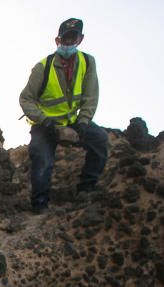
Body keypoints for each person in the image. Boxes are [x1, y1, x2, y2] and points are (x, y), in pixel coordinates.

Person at [19, 17, 109, 213]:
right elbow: (25, 99)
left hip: (73, 122)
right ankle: (39, 205)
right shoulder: (43, 67)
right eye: (65, 39)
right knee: (42, 160)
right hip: (45, 125)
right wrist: (46, 121)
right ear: (57, 40)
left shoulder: (87, 62)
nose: (68, 42)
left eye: (73, 38)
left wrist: (83, 122)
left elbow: (91, 95)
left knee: (100, 141)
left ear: (80, 39)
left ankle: (86, 189)